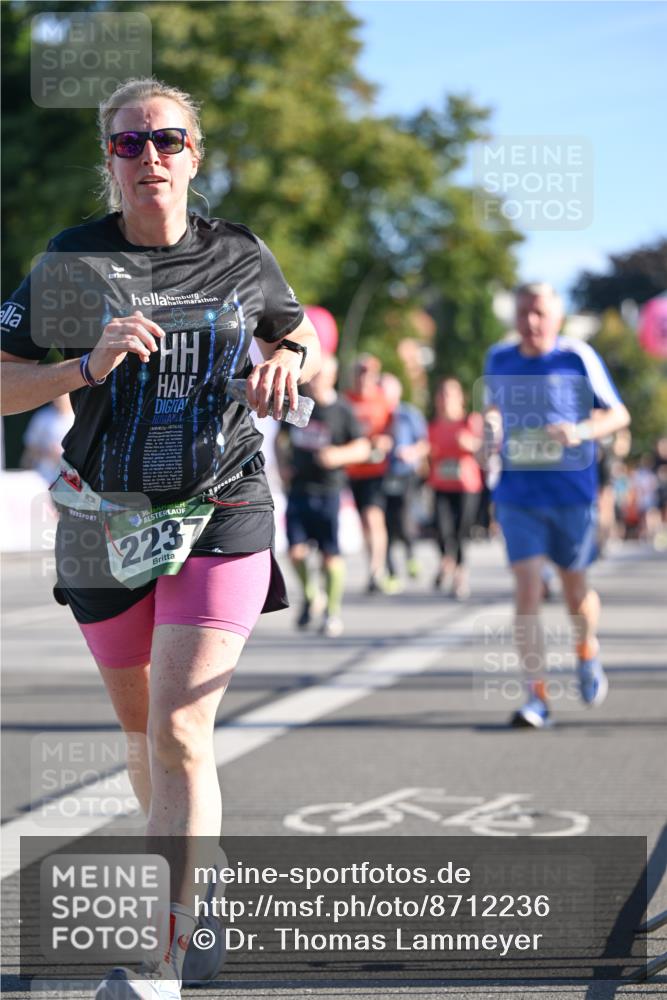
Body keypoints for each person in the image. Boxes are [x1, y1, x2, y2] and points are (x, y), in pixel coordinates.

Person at [1, 77, 320, 1000]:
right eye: (128, 144)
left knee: (181, 729)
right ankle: (201, 887)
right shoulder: (71, 264)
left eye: (168, 140)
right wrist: (81, 363)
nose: (150, 157)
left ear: (194, 153)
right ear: (109, 160)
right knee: (143, 737)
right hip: (108, 521)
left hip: (223, 506)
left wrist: (286, 365)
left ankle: (162, 957)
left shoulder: (240, 256)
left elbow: (296, 339)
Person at [483, 282, 630, 728]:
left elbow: (618, 414)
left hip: (571, 495)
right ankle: (536, 696)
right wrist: (490, 428)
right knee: (527, 588)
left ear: (557, 318)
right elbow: (492, 407)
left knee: (574, 592)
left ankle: (587, 652)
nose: (531, 321)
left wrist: (581, 431)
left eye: (540, 313)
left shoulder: (577, 356)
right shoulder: (499, 358)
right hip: (517, 494)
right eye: (524, 312)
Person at [278, 354, 369, 637]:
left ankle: (332, 611)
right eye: (313, 376)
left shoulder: (342, 410)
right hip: (299, 490)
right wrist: (282, 466)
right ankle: (310, 596)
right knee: (295, 553)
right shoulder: (298, 405)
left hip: (329, 491)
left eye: (322, 376)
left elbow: (363, 447)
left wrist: (339, 455)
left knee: (330, 556)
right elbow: (280, 439)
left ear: (332, 377)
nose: (316, 382)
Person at [344, 354, 397, 593]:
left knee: (374, 517)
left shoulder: (382, 399)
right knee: (364, 522)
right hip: (354, 469)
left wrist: (386, 441)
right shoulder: (346, 400)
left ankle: (377, 569)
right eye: (361, 372)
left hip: (377, 469)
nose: (365, 377)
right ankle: (374, 564)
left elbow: (393, 429)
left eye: (369, 373)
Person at [427, 377, 483, 600]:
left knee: (460, 532)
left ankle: (460, 574)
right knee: (441, 529)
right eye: (441, 395)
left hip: (466, 486)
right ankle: (447, 561)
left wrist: (469, 443)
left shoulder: (470, 421)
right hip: (441, 485)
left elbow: (484, 448)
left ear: (460, 398)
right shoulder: (433, 426)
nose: (444, 400)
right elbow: (428, 451)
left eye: (449, 395)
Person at [379, 373, 429, 586]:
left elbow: (424, 443)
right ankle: (390, 571)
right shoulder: (376, 415)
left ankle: (410, 554)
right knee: (385, 524)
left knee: (403, 518)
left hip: (405, 473)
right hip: (380, 475)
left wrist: (411, 453)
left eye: (387, 390)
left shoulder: (409, 414)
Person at [20, 393, 74, 484]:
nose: (59, 398)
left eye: (63, 394)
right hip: (42, 480)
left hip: (70, 484)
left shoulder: (78, 419)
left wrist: (64, 455)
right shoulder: (42, 416)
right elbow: (29, 450)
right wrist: (47, 452)